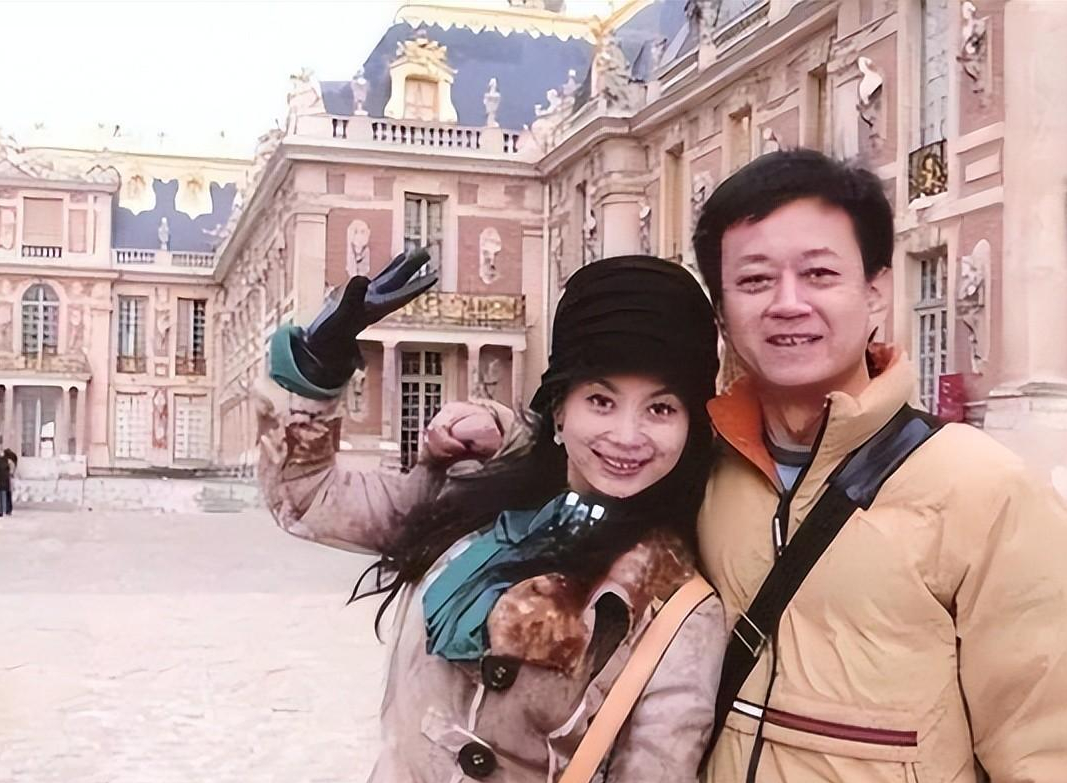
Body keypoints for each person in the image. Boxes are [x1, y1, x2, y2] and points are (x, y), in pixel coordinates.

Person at [434, 150, 1067, 781]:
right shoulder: (699, 467)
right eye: (756, 280)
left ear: (875, 291)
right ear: (722, 315)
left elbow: (1044, 750)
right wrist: (504, 429)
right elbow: (596, 457)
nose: (788, 303)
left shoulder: (986, 491)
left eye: (819, 274)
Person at [256, 252, 727, 782]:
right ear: (559, 411)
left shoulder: (679, 611)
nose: (626, 436)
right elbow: (307, 499)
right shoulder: (477, 496)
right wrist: (316, 370)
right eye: (601, 400)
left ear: (690, 427)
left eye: (661, 409)